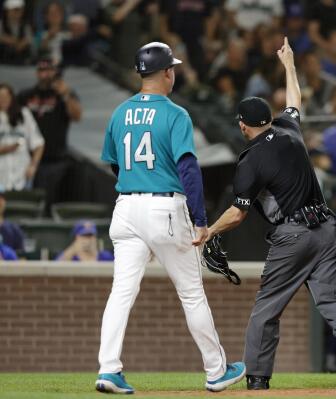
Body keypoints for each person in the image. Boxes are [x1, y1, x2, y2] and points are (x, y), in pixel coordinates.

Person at [201, 37, 336, 391]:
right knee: (334, 298)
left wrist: (209, 231)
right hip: (326, 229)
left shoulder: (250, 161)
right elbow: (294, 102)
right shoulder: (289, 131)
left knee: (267, 307)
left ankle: (257, 378)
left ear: (243, 126)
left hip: (293, 235)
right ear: (268, 120)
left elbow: (238, 214)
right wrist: (289, 65)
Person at [96, 42, 245, 394]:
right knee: (192, 294)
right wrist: (200, 219)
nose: (173, 72)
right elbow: (188, 168)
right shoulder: (175, 114)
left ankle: (108, 369)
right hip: (163, 207)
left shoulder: (120, 113)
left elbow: (113, 161)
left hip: (126, 207)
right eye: (172, 68)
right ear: (166, 72)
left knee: (121, 293)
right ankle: (216, 370)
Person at [18, 58, 82, 212]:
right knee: (26, 201)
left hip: (55, 158)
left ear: (54, 72)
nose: (44, 74)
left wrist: (66, 94)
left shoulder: (63, 95)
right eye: (41, 70)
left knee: (50, 202)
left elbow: (77, 116)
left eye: (48, 70)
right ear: (37, 73)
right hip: (26, 158)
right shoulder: (25, 95)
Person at [0, 83, 45, 191]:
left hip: (21, 175)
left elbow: (38, 143)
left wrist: (33, 166)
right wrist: (4, 149)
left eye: (5, 97)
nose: (3, 100)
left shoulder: (23, 114)